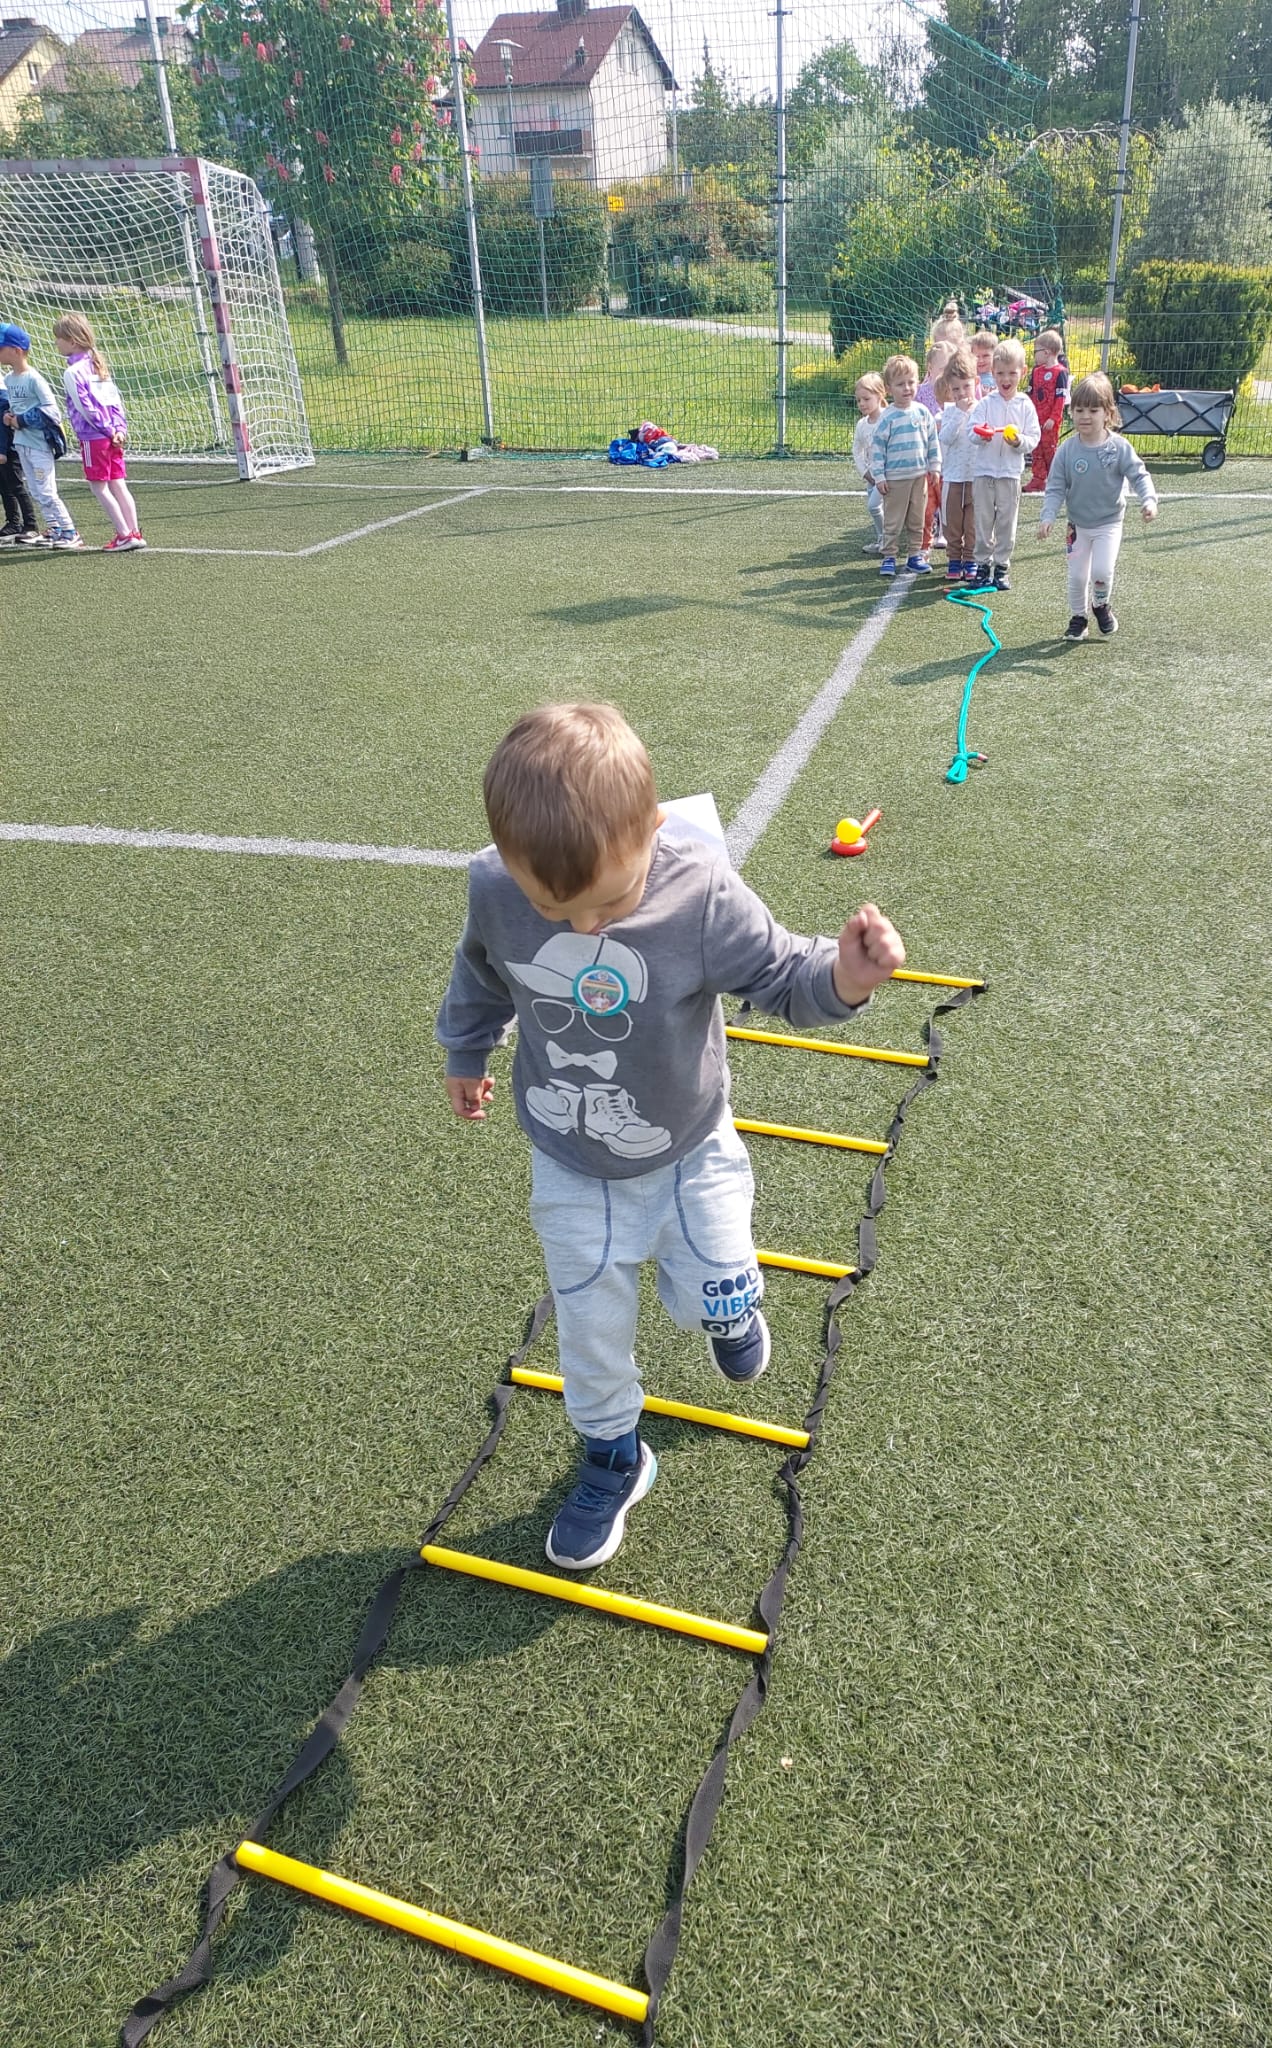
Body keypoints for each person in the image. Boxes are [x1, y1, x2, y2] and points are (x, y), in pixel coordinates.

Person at [436, 703, 906, 1570]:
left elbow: (781, 974)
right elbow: (482, 974)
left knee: (709, 1295)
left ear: (653, 830)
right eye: (553, 908)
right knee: (588, 1326)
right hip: (571, 1159)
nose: (585, 929)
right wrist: (466, 1050)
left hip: (690, 1148)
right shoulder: (497, 886)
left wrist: (845, 977)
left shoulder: (699, 890)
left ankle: (728, 1309)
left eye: (609, 903)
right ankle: (615, 1455)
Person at [1037, 371, 1157, 639]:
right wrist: (1048, 517)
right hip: (1077, 525)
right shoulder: (1067, 450)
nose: (1085, 416)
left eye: (1093, 410)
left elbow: (1139, 475)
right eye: (1079, 410)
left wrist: (1149, 500)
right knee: (1077, 576)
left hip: (1108, 524)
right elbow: (1055, 487)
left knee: (1102, 571)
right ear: (1071, 412)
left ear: (1108, 413)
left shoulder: (1119, 448)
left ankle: (1100, 605)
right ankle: (1079, 618)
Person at [54, 313, 144, 552]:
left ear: (72, 341)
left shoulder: (73, 373)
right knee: (118, 484)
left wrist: (108, 430)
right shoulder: (97, 365)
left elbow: (86, 408)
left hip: (93, 437)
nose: (56, 343)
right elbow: (115, 403)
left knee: (99, 487)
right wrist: (119, 429)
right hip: (111, 436)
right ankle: (134, 532)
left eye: (58, 338)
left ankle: (124, 534)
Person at [967, 337, 1040, 593]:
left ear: (1023, 372)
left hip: (1009, 474)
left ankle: (1001, 566)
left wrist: (1018, 441)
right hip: (984, 473)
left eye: (1011, 373)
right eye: (1000, 373)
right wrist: (982, 435)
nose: (1005, 379)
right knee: (983, 521)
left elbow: (1033, 437)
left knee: (1007, 522)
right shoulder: (986, 403)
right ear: (992, 372)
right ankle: (982, 564)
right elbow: (972, 431)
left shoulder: (1025, 404)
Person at [0, 323, 81, 551]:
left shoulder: (34, 379)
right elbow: (17, 407)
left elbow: (52, 411)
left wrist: (22, 420)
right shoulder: (9, 379)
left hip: (38, 444)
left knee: (46, 491)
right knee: (36, 490)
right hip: (22, 443)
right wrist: (9, 416)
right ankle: (54, 528)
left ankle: (70, 531)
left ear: (16, 350)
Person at [868, 352, 941, 577]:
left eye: (911, 382)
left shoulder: (923, 412)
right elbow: (877, 449)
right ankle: (889, 556)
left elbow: (932, 441)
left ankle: (915, 555)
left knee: (917, 519)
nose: (907, 388)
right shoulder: (887, 417)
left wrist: (935, 466)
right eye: (900, 384)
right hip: (895, 479)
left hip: (919, 477)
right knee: (893, 520)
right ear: (889, 388)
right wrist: (879, 476)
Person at [936, 348, 978, 582]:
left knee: (972, 523)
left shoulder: (983, 408)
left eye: (966, 386)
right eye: (955, 389)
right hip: (953, 476)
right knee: (953, 522)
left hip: (976, 476)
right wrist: (960, 414)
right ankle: (954, 559)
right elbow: (946, 437)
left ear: (975, 383)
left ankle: (970, 559)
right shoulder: (950, 412)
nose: (961, 393)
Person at [914, 342, 951, 554]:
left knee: (945, 490)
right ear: (930, 367)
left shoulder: (954, 390)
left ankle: (944, 530)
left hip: (947, 450)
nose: (946, 374)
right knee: (929, 492)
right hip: (927, 450)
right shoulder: (921, 392)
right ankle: (929, 529)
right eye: (942, 368)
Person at [1024, 328, 1070, 495]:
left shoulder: (1060, 373)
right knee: (1036, 449)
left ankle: (1055, 478)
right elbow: (1030, 394)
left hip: (1050, 421)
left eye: (1035, 352)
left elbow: (1060, 399)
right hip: (1035, 419)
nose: (1034, 356)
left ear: (1046, 352)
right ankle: (1038, 478)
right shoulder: (1036, 372)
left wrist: (1054, 418)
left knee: (1049, 449)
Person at [851, 370, 887, 555]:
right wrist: (865, 473)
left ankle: (888, 540)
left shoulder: (889, 418)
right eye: (859, 400)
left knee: (874, 506)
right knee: (877, 508)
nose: (862, 404)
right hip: (872, 477)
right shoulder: (862, 424)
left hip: (890, 476)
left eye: (866, 399)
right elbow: (857, 451)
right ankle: (883, 540)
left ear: (880, 395)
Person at [0, 395, 41, 545]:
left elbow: (3, 429)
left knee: (17, 487)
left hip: (9, 451)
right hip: (4, 451)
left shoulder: (3, 400)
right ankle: (13, 523)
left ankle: (31, 525)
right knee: (5, 488)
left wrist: (2, 451)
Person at [970, 331, 997, 395]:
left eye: (985, 356)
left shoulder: (998, 376)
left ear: (994, 355)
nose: (981, 360)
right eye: (977, 356)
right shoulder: (970, 377)